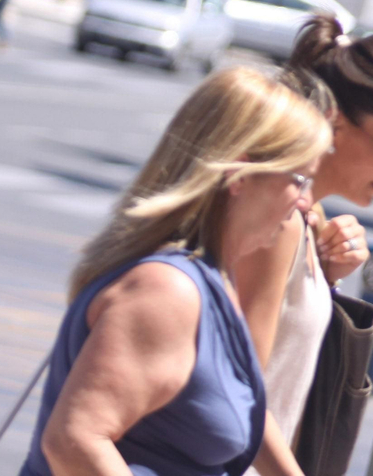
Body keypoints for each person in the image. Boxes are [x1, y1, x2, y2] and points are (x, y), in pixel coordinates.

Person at [20, 67, 331, 476]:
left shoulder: (214, 279)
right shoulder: (168, 291)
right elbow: (74, 442)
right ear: (239, 172)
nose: (307, 202)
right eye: (298, 180)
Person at [231, 16, 373, 449]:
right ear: (336, 124)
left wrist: (326, 277)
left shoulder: (307, 220)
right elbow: (241, 395)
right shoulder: (279, 222)